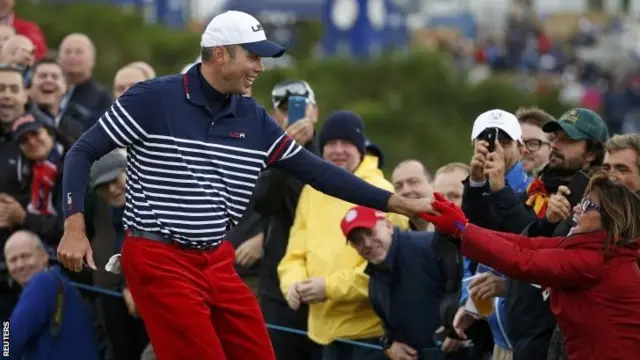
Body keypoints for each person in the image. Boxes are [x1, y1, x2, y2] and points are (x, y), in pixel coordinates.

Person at [56, 10, 429, 360]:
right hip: (158, 257)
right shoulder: (152, 98)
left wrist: (395, 202)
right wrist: (73, 225)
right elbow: (81, 152)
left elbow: (319, 173)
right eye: (252, 57)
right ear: (221, 55)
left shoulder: (253, 117)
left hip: (215, 258)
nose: (260, 67)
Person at [421, 173, 640, 360]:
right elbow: (525, 244)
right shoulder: (595, 250)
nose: (577, 209)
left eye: (588, 205)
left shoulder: (595, 260)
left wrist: (462, 229)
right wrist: (463, 227)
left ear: (613, 219)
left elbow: (522, 261)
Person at [340, 205, 469, 360]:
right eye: (357, 241)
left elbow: (471, 283)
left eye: (369, 232)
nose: (366, 243)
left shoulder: (430, 245)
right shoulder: (374, 280)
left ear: (388, 225)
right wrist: (389, 346)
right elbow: (389, 330)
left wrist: (463, 324)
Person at [253, 79, 321, 360]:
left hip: (323, 283)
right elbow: (263, 202)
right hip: (278, 287)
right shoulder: (267, 155)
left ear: (315, 112)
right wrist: (287, 150)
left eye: (301, 108)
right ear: (274, 116)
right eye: (284, 110)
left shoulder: (332, 150)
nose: (292, 115)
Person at [6, 230, 99, 360]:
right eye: (13, 260)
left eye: (26, 256)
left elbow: (9, 338)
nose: (20, 265)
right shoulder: (59, 280)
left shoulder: (42, 282)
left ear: (44, 256)